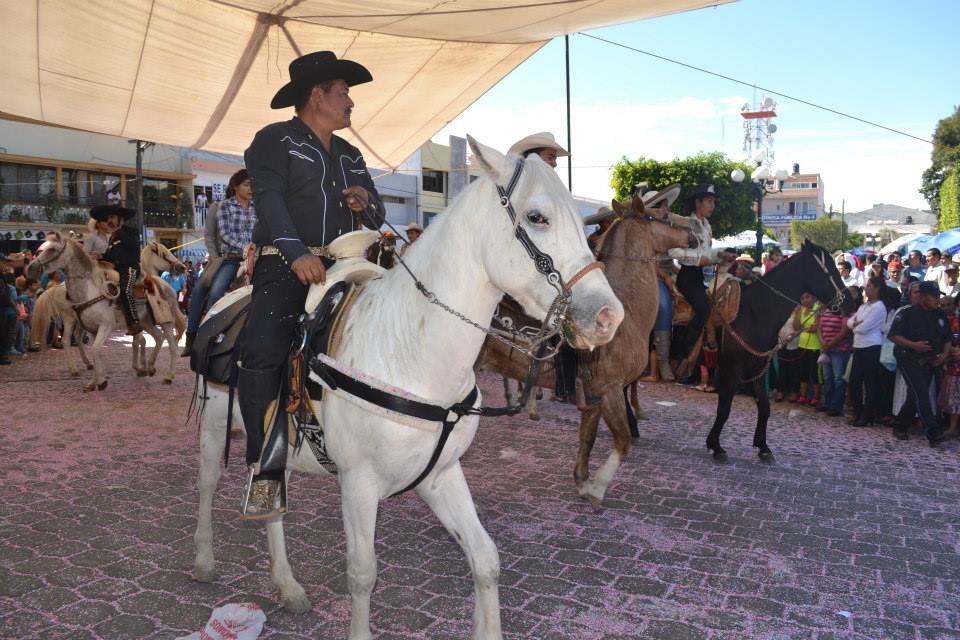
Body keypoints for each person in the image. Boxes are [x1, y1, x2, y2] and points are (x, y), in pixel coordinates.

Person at [238, 50, 384, 519]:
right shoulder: (274, 140)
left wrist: (365, 203)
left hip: (347, 262)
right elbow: (268, 200)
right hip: (285, 262)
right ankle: (266, 468)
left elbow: (378, 214)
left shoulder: (351, 155)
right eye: (344, 94)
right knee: (263, 350)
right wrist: (296, 250)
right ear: (317, 96)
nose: (350, 103)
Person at [182, 169, 255, 355]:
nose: (251, 189)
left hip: (254, 257)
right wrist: (219, 256)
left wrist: (256, 248)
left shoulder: (258, 207)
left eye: (252, 185)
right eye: (246, 184)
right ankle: (198, 336)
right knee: (210, 292)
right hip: (229, 258)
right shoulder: (223, 206)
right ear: (235, 186)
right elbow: (221, 234)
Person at [667, 184, 736, 370]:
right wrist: (698, 260)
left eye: (713, 202)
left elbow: (707, 254)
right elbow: (673, 251)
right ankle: (682, 353)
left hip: (698, 277)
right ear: (698, 202)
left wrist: (720, 255)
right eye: (709, 201)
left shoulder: (707, 226)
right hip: (687, 277)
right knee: (704, 310)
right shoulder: (685, 224)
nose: (712, 206)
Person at [888, 281, 952, 446]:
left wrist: (944, 355)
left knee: (915, 395)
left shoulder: (939, 314)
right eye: (933, 296)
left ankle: (900, 424)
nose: (937, 300)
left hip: (931, 360)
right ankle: (933, 431)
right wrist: (914, 345)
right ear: (923, 297)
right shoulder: (907, 313)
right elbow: (893, 335)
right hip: (908, 357)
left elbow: (947, 338)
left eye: (938, 296)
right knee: (921, 393)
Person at [92, 205, 142, 335]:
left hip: (130, 268)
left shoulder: (131, 231)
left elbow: (134, 245)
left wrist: (118, 231)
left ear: (121, 219)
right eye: (108, 217)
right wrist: (101, 256)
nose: (109, 220)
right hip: (115, 270)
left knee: (126, 290)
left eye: (112, 217)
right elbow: (110, 256)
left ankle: (134, 322)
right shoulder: (112, 237)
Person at [846, 276, 887, 426]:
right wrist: (855, 324)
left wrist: (855, 325)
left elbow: (863, 328)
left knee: (870, 383)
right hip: (859, 347)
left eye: (869, 286)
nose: (866, 289)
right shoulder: (863, 306)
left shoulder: (879, 307)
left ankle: (868, 415)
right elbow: (849, 322)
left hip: (872, 347)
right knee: (855, 381)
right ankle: (858, 412)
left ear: (877, 288)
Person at [818, 302, 852, 417]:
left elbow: (844, 331)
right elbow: (819, 327)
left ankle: (836, 406)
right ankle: (827, 403)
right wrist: (823, 343)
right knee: (828, 378)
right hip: (826, 348)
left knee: (838, 378)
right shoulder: (826, 310)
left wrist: (830, 344)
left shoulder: (843, 311)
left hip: (839, 349)